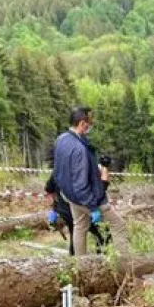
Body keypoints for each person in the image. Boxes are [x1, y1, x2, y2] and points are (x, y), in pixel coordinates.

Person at [50, 107, 119, 255]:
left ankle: (80, 266)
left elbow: (56, 172)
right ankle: (126, 265)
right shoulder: (79, 149)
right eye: (90, 122)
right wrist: (93, 207)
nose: (91, 125)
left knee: (79, 227)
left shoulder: (62, 139)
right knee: (118, 226)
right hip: (85, 199)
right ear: (82, 123)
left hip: (70, 197)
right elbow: (80, 184)